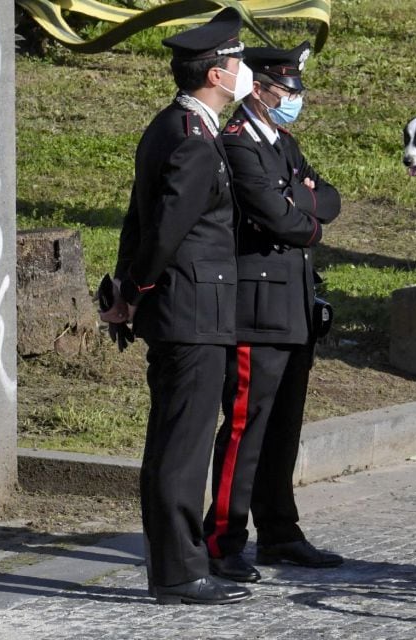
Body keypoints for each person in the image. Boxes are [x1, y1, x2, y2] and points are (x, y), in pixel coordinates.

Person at [99, 8, 251, 605]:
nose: (242, 73)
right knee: (181, 447)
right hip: (192, 308)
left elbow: (140, 220)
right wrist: (134, 291)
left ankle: (178, 566)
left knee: (174, 440)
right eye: (236, 64)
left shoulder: (175, 125)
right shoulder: (191, 137)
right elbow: (163, 227)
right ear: (216, 72)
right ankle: (180, 571)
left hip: (185, 306)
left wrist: (128, 288)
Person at [201, 44, 344, 585]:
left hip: (295, 304)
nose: (292, 103)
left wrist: (299, 199)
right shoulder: (238, 144)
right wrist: (297, 204)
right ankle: (224, 537)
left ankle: (280, 531)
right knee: (246, 427)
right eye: (284, 93)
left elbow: (327, 199)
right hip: (256, 308)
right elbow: (278, 219)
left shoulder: (282, 142)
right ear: (257, 89)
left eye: (295, 94)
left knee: (283, 427)